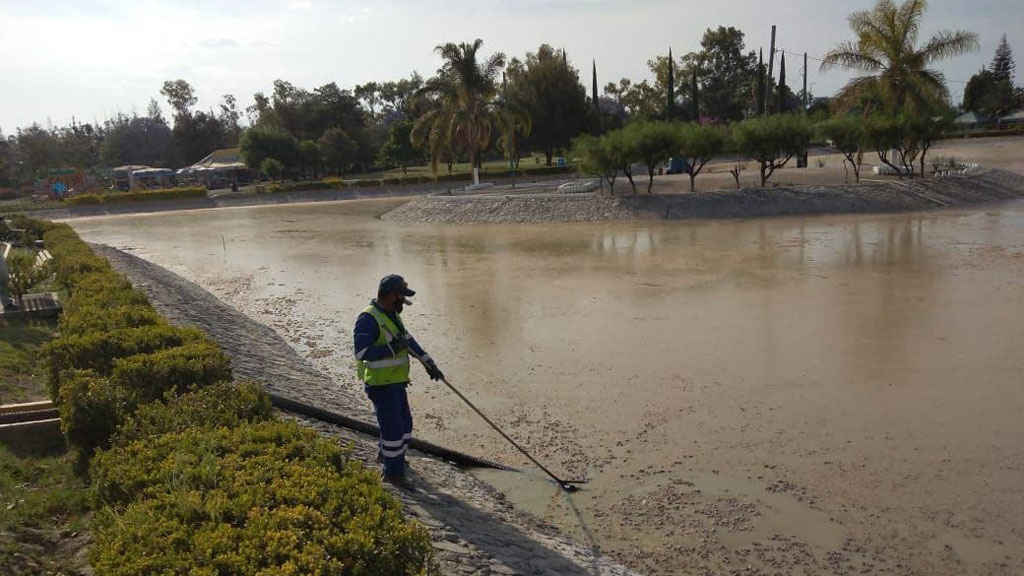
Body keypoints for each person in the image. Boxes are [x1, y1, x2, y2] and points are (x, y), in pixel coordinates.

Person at [353, 274, 444, 489]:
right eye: (401, 296)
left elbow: (409, 342)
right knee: (393, 428)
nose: (404, 301)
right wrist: (394, 346)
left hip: (396, 382)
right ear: (391, 295)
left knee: (404, 425)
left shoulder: (391, 315)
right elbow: (361, 353)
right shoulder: (369, 318)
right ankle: (393, 475)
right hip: (381, 385)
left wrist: (429, 363)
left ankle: (390, 457)